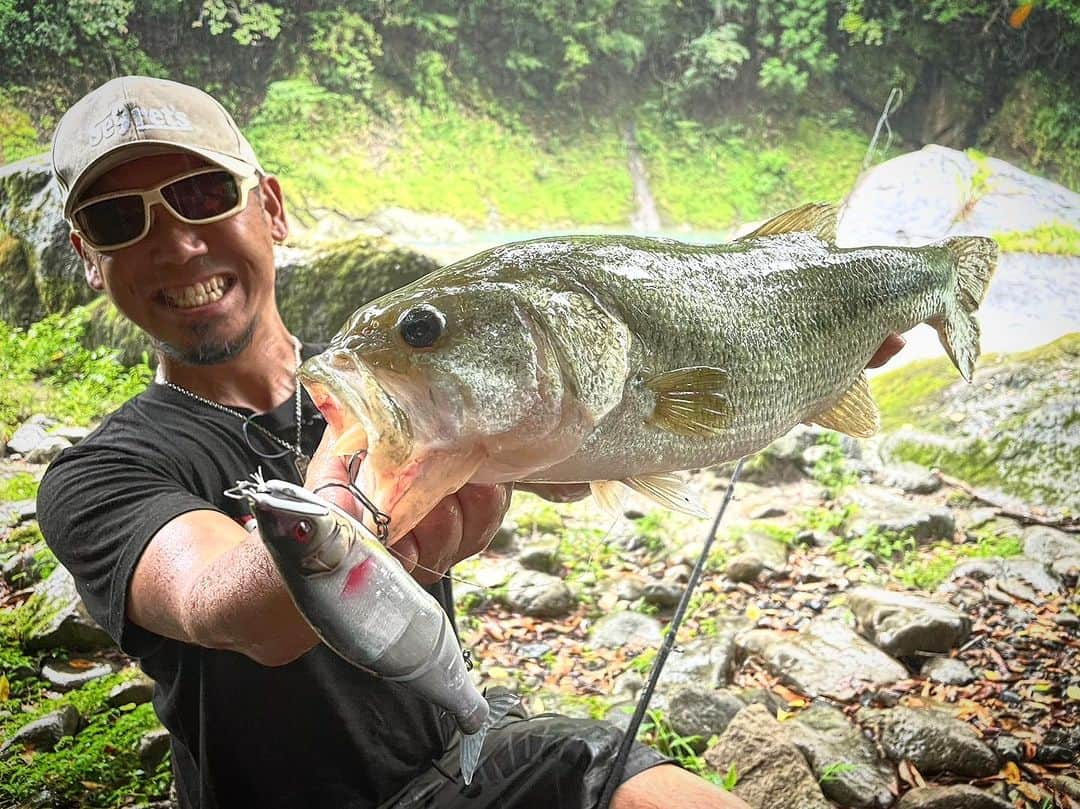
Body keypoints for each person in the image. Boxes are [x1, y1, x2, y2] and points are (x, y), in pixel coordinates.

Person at [37, 76, 902, 809]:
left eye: (200, 195)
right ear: (87, 255)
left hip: (463, 760)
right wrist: (360, 499)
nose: (177, 244)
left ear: (269, 207)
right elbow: (233, 609)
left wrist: (790, 363)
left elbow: (588, 440)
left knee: (644, 786)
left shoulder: (420, 387)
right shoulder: (99, 475)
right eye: (119, 221)